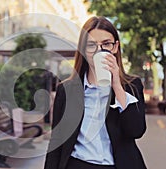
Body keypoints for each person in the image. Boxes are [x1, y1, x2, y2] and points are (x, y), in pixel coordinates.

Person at [44, 16, 147, 169]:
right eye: (91, 45)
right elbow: (57, 140)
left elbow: (136, 130)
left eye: (106, 44)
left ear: (115, 47)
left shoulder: (131, 86)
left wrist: (117, 85)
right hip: (77, 164)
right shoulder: (67, 90)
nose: (99, 50)